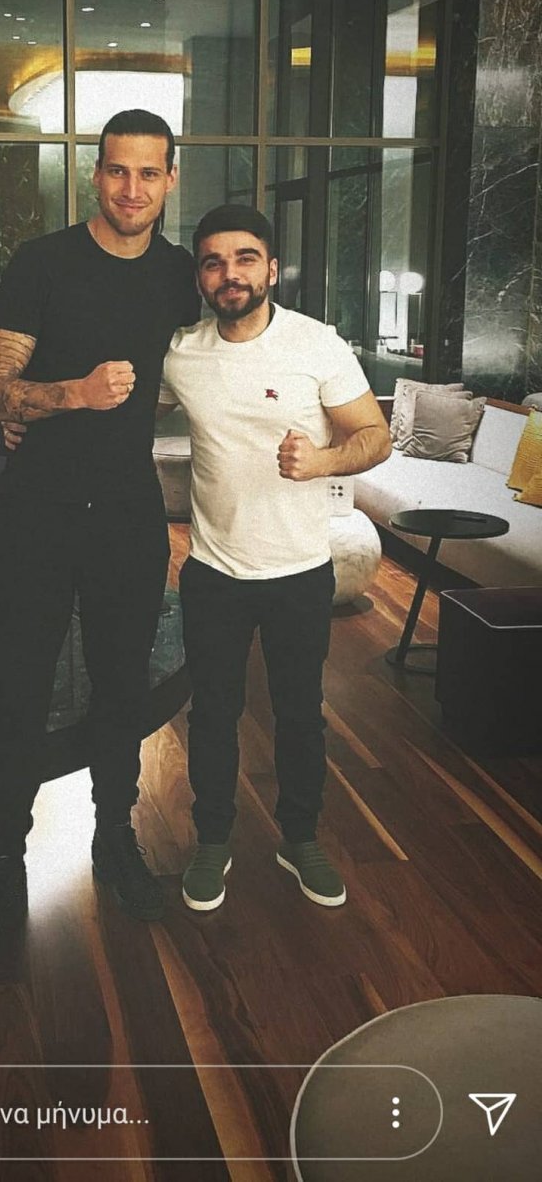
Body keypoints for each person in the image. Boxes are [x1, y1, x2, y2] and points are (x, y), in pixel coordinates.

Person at [0, 110, 199, 964]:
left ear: (170, 180)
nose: (131, 189)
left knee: (121, 688)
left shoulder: (179, 276)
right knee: (17, 689)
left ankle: (114, 837)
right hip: (36, 511)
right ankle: (4, 866)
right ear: (95, 174)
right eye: (117, 171)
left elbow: (223, 346)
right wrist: (72, 395)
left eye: (148, 173)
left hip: (128, 511)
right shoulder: (44, 262)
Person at [158, 205, 391, 914]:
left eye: (245, 258)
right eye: (213, 261)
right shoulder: (181, 354)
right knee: (212, 715)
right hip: (214, 572)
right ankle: (212, 841)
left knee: (300, 714)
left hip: (299, 572)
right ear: (200, 276)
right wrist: (31, 420)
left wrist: (322, 460)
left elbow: (375, 434)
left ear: (271, 269)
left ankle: (300, 838)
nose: (229, 274)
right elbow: (122, 413)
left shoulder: (316, 344)